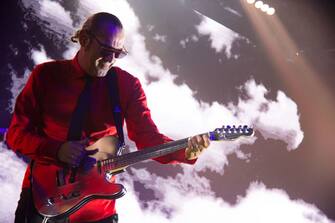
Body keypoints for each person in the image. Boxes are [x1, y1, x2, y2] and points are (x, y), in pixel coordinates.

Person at [6, 12, 210, 223]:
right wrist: (57, 150)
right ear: (84, 40)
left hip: (97, 211)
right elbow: (16, 134)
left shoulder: (127, 85)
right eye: (105, 50)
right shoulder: (46, 75)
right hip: (43, 199)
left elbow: (147, 137)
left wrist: (184, 150)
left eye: (118, 53)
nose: (111, 60)